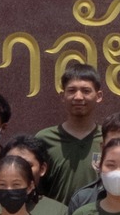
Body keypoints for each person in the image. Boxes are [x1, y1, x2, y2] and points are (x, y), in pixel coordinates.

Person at [37, 64, 105, 203]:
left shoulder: (108, 138)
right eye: (72, 90)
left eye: (86, 91)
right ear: (63, 96)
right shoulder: (44, 139)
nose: (78, 97)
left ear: (98, 96)